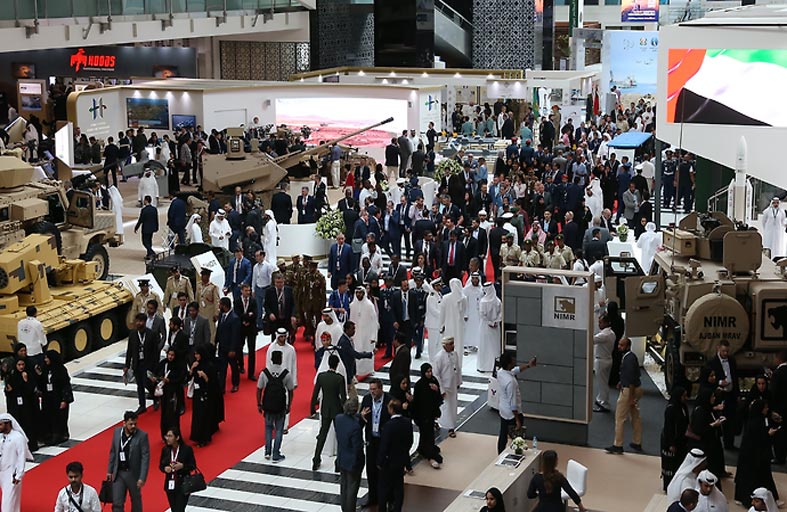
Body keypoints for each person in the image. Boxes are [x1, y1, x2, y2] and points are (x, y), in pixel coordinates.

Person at [735, 399, 779, 507]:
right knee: (752, 478)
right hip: (752, 456)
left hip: (759, 454)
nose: (767, 409)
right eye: (765, 407)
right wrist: (768, 434)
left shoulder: (760, 419)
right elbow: (756, 440)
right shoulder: (754, 422)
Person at [106, 411, 150, 512]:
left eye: (135, 424)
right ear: (124, 423)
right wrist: (109, 470)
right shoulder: (117, 432)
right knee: (117, 502)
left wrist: (142, 477)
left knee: (136, 500)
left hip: (133, 474)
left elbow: (145, 458)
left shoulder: (142, 436)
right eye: (131, 424)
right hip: (119, 472)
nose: (133, 426)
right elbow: (113, 452)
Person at [606, 337, 643, 454]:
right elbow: (636, 374)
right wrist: (621, 381)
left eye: (621, 345)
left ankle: (618, 444)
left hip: (628, 391)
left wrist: (630, 398)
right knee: (635, 416)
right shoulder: (632, 357)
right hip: (637, 388)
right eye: (619, 344)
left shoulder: (628, 359)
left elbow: (631, 380)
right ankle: (637, 441)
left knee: (620, 418)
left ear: (628, 346)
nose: (619, 347)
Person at [257, 350, 294, 463]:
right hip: (280, 406)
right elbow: (290, 390)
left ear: (271, 359)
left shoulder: (265, 373)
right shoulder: (286, 374)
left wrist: (259, 404)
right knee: (279, 430)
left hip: (268, 406)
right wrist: (289, 405)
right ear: (281, 359)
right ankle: (276, 454)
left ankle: (267, 452)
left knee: (268, 428)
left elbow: (259, 389)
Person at [377, 399, 413, 512]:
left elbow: (384, 446)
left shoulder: (388, 426)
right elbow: (410, 441)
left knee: (384, 488)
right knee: (399, 487)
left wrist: (380, 461)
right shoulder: (407, 422)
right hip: (401, 460)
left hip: (388, 462)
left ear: (392, 410)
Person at [311, 354, 347, 471]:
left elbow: (315, 394)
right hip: (337, 410)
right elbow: (343, 398)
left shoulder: (321, 377)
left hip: (325, 408)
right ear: (337, 365)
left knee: (322, 435)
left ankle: (316, 459)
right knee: (339, 436)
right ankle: (338, 462)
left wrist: (312, 408)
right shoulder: (339, 378)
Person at [496, 352, 537, 454]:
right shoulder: (511, 382)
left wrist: (528, 365)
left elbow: (515, 370)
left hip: (503, 411)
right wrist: (517, 420)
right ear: (509, 363)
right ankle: (517, 454)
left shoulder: (501, 372)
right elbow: (513, 403)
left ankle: (500, 454)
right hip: (512, 414)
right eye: (513, 359)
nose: (515, 360)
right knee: (518, 438)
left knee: (503, 435)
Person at [359, 379, 390, 508]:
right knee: (371, 470)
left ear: (381, 389)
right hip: (371, 440)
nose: (372, 392)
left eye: (374, 389)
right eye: (370, 389)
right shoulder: (367, 399)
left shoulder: (389, 400)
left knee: (384, 470)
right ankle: (372, 498)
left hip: (384, 441)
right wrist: (361, 416)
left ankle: (386, 498)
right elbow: (361, 421)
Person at [688, 387, 726, 484]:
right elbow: (699, 429)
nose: (714, 398)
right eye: (712, 397)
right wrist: (713, 425)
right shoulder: (700, 411)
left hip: (711, 442)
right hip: (704, 445)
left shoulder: (708, 408)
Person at [411, 362, 444, 469]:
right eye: (427, 372)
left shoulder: (434, 381)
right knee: (427, 434)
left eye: (430, 371)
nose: (429, 374)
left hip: (431, 413)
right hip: (422, 414)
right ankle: (430, 456)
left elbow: (438, 398)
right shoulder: (419, 385)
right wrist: (416, 416)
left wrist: (436, 390)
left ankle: (423, 449)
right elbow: (416, 402)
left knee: (428, 433)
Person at [707, 340, 738, 449]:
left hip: (731, 393)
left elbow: (735, 376)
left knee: (731, 419)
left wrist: (737, 393)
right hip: (720, 394)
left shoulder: (732, 360)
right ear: (718, 348)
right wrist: (719, 382)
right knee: (719, 419)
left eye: (727, 351)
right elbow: (707, 378)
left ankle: (729, 443)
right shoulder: (712, 362)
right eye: (723, 351)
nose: (725, 353)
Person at [189, 345, 222, 447]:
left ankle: (204, 438)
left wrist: (205, 377)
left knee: (204, 416)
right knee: (197, 416)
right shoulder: (196, 364)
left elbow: (213, 382)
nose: (196, 356)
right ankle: (196, 436)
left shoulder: (209, 366)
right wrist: (192, 369)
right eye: (195, 354)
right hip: (197, 392)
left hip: (205, 393)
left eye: (197, 354)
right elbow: (189, 377)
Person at [335, 398, 364, 512]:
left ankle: (344, 509)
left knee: (344, 486)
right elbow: (357, 447)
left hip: (342, 457)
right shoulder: (355, 426)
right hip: (353, 461)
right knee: (352, 489)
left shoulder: (338, 419)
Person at [124, 313, 157, 414]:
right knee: (139, 385)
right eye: (137, 321)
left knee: (147, 383)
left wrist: (154, 366)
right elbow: (129, 350)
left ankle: (156, 398)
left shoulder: (151, 334)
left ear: (145, 322)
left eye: (141, 321)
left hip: (148, 363)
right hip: (137, 363)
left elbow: (155, 352)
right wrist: (127, 365)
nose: (138, 323)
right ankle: (142, 405)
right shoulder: (133, 334)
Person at [158, 427, 196, 512]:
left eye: (170, 436)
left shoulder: (186, 449)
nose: (167, 438)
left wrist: (182, 466)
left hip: (183, 483)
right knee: (174, 509)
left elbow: (193, 465)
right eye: (166, 436)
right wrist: (165, 468)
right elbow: (161, 465)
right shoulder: (165, 450)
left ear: (177, 437)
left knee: (179, 509)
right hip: (170, 483)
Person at [0, 414, 32, 512]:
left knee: (7, 503)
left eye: (0, 424)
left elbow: (21, 457)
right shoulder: (1, 436)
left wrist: (18, 475)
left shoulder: (18, 437)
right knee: (13, 501)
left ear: (8, 424)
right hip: (2, 472)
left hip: (12, 473)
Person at [40, 350, 74, 445]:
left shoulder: (61, 370)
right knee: (48, 416)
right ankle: (49, 435)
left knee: (59, 417)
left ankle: (60, 435)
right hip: (48, 398)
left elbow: (65, 385)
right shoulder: (45, 369)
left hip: (58, 397)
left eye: (47, 358)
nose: (46, 360)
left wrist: (64, 400)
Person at [662, 386, 690, 492]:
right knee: (671, 465)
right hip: (671, 440)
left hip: (682, 440)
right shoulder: (671, 409)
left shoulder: (683, 406)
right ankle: (669, 486)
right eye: (684, 396)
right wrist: (671, 444)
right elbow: (668, 428)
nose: (685, 398)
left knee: (680, 463)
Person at [154, 348, 185, 441]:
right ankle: (165, 435)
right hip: (164, 393)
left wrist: (170, 380)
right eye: (169, 355)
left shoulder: (179, 365)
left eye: (172, 355)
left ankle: (175, 436)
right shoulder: (164, 363)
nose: (170, 357)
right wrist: (156, 378)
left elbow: (181, 378)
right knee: (164, 414)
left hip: (175, 393)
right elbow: (157, 372)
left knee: (173, 415)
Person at [433, 337, 461, 438]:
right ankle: (446, 426)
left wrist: (458, 382)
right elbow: (436, 374)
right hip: (445, 387)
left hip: (453, 386)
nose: (453, 346)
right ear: (445, 345)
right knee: (445, 408)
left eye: (453, 343)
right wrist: (441, 389)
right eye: (451, 344)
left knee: (452, 407)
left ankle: (451, 426)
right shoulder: (439, 357)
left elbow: (458, 369)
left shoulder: (455, 354)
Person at [349, 287, 379, 379]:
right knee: (357, 351)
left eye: (360, 293)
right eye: (357, 293)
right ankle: (357, 371)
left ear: (364, 293)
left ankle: (369, 370)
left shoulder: (369, 305)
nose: (359, 295)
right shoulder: (352, 305)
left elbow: (374, 321)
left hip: (367, 333)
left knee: (367, 350)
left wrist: (374, 336)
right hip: (356, 333)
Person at [440, 278, 468, 369]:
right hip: (459, 326)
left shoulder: (446, 298)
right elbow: (464, 312)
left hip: (449, 325)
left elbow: (442, 314)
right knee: (458, 345)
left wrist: (441, 325)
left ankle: (448, 364)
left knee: (449, 343)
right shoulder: (464, 298)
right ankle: (458, 364)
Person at [215, 297, 242, 393]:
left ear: (224, 306)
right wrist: (216, 342)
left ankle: (235, 384)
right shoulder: (221, 315)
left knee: (234, 367)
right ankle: (221, 387)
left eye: (220, 304)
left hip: (230, 348)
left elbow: (235, 335)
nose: (219, 306)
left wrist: (232, 349)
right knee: (222, 368)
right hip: (222, 347)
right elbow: (219, 330)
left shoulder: (234, 318)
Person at [233, 284, 258, 380]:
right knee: (239, 347)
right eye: (246, 290)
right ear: (242, 291)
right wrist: (246, 317)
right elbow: (237, 314)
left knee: (252, 351)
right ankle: (241, 365)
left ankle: (251, 373)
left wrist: (247, 319)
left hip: (251, 328)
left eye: (249, 290)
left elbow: (255, 314)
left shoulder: (253, 301)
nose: (248, 292)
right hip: (241, 328)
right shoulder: (237, 301)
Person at [593, 313, 616, 413]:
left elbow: (591, 339)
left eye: (600, 322)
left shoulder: (604, 335)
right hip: (608, 359)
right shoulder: (611, 333)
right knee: (604, 382)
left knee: (602, 384)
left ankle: (604, 403)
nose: (599, 324)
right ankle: (601, 400)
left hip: (601, 361)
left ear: (606, 323)